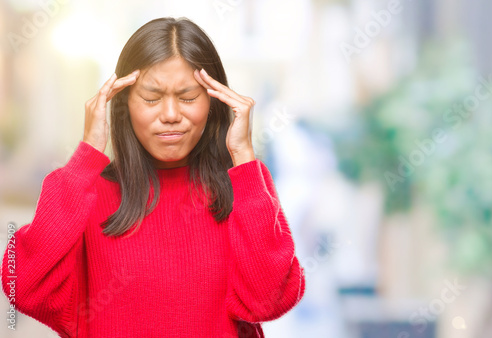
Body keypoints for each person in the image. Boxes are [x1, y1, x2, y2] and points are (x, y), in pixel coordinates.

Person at [1, 17, 305, 337]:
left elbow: (269, 301)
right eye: (151, 98)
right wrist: (88, 151)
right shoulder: (86, 192)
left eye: (187, 97)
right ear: (123, 104)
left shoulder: (244, 190)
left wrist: (243, 154)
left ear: (214, 102)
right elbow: (24, 286)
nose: (171, 115)